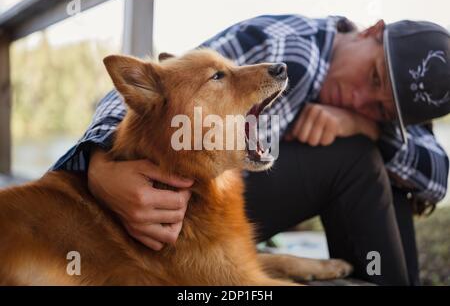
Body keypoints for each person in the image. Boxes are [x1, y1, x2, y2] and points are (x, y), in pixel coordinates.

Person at [51, 15, 450, 285]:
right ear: (371, 31)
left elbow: (436, 176)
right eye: (373, 75)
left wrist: (363, 124)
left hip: (242, 196)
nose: (362, 97)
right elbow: (159, 87)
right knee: (358, 157)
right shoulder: (285, 43)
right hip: (179, 201)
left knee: (384, 160)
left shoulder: (378, 109)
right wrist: (98, 166)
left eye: (382, 108)